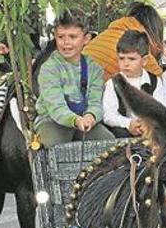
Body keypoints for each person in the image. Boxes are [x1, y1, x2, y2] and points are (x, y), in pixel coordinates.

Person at [34, 10, 114, 149]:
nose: (66, 43)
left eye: (72, 37)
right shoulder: (49, 68)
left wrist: (91, 116)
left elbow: (96, 103)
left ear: (86, 39)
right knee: (53, 145)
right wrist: (76, 120)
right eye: (61, 37)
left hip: (84, 121)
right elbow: (55, 106)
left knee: (108, 141)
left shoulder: (95, 69)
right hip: (52, 120)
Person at [102, 30, 166, 137]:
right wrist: (128, 123)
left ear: (144, 60)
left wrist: (147, 123)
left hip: (150, 128)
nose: (126, 63)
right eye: (121, 58)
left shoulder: (154, 82)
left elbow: (160, 108)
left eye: (132, 59)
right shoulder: (113, 84)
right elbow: (108, 114)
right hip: (125, 130)